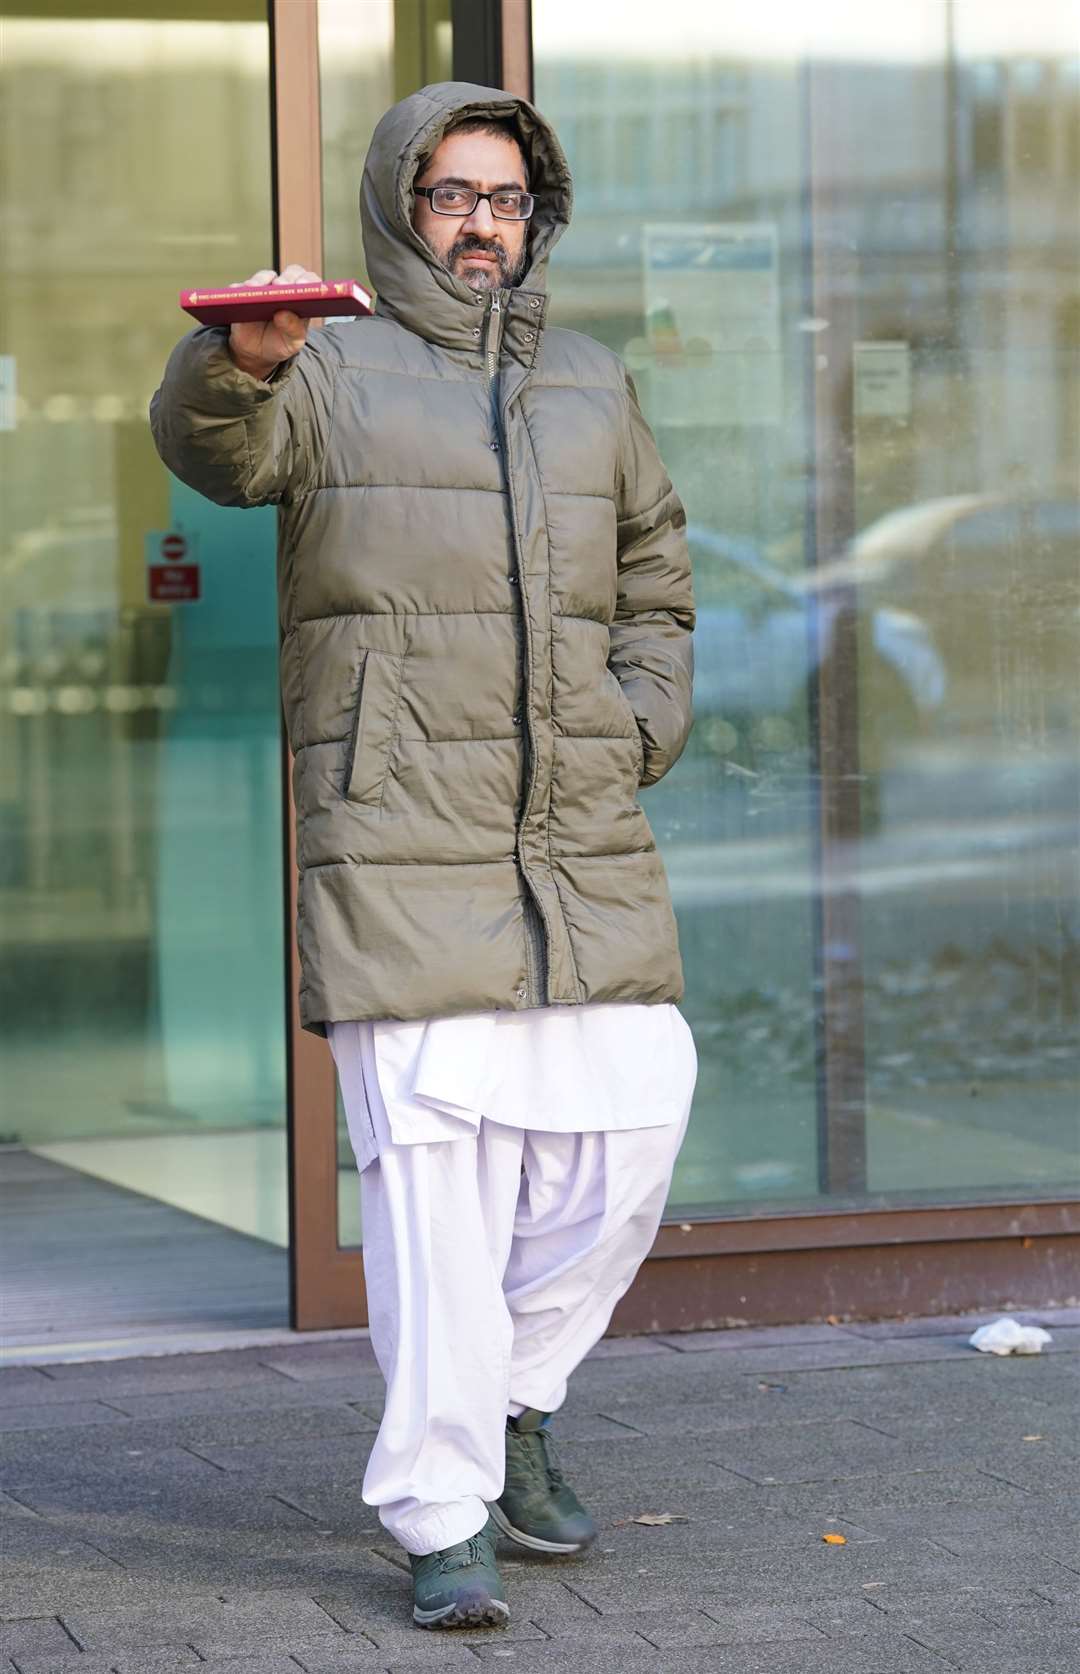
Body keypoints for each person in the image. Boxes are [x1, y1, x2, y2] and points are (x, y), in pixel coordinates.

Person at [149, 80, 696, 1632]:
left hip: (571, 828)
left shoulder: (591, 380)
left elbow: (658, 569)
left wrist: (635, 720)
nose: (479, 222)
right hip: (397, 830)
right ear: (404, 201)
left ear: (538, 217)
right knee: (439, 1193)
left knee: (634, 1115)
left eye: (506, 199)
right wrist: (231, 362)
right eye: (453, 193)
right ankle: (443, 1508)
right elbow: (214, 450)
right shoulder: (328, 370)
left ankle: (517, 1397)